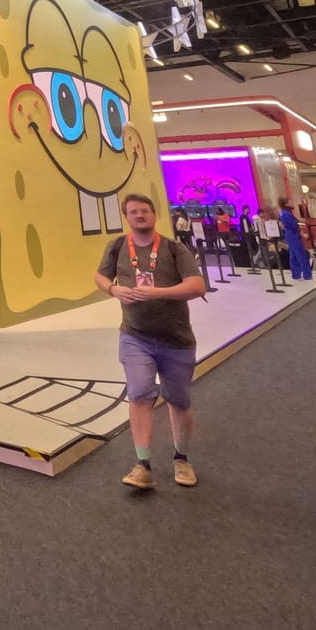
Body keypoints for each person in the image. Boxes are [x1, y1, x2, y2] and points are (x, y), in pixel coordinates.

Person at [95, 192, 206, 489]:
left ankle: (181, 458)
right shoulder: (117, 246)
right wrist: (113, 290)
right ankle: (142, 465)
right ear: (126, 217)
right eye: (133, 212)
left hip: (176, 339)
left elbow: (197, 286)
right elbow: (100, 276)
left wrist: (157, 293)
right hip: (135, 336)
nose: (139, 215)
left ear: (154, 215)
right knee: (140, 394)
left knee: (178, 401)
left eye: (144, 210)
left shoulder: (173, 248)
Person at [278, 198, 312, 280]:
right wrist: (301, 233)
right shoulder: (286, 214)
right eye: (289, 201)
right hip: (293, 235)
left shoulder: (283, 213)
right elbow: (293, 225)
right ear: (286, 204)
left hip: (290, 235)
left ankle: (296, 274)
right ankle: (307, 274)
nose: (292, 202)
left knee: (293, 255)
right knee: (301, 254)